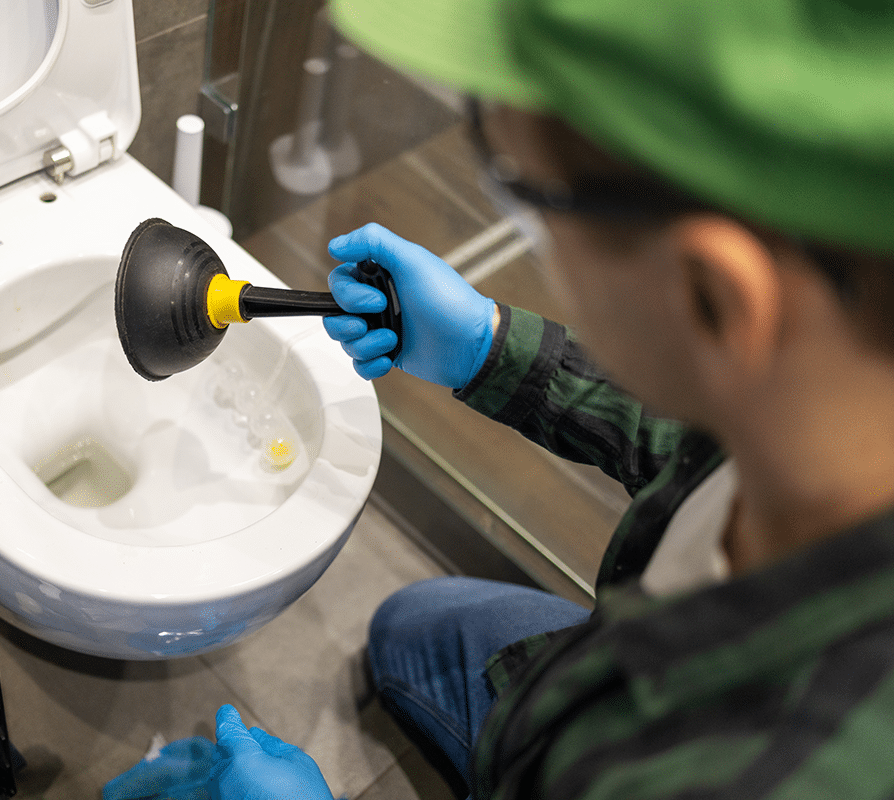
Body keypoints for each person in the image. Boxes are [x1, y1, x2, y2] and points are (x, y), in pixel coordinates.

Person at [105, 0, 894, 797]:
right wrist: (486, 346)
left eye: (529, 200)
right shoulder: (833, 406)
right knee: (410, 630)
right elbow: (696, 447)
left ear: (712, 298)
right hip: (614, 665)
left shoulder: (761, 773)